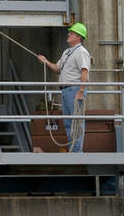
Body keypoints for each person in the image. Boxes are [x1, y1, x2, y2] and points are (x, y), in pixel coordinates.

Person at [37, 22, 91, 152]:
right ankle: (73, 149)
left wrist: (81, 90)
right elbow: (57, 68)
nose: (68, 34)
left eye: (71, 33)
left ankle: (77, 151)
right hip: (66, 90)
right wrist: (46, 62)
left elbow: (84, 72)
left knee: (76, 122)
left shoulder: (81, 52)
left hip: (74, 89)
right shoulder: (67, 52)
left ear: (78, 37)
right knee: (68, 122)